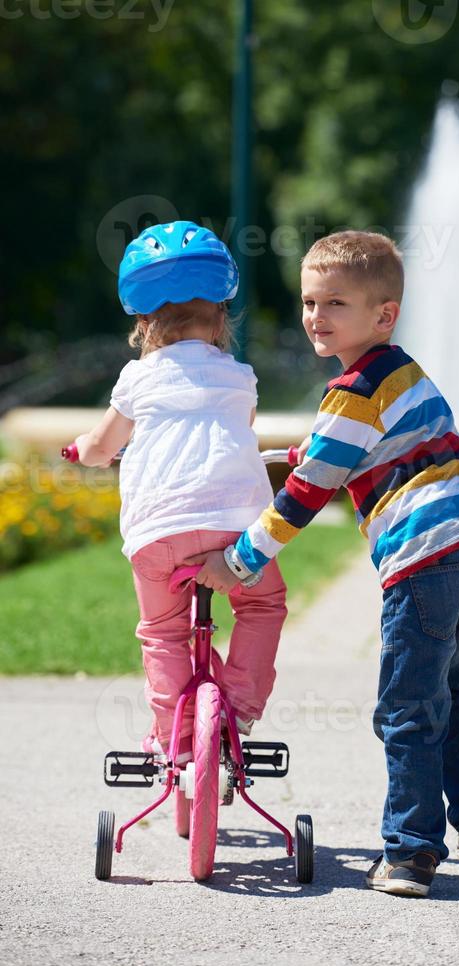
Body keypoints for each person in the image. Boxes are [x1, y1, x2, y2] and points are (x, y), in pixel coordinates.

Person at [185, 230, 459, 897]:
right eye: (309, 301)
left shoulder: (350, 393)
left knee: (406, 706)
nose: (316, 317)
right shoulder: (401, 373)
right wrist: (314, 447)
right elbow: (380, 443)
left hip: (424, 554)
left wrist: (237, 562)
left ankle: (410, 853)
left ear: (383, 314)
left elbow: (306, 495)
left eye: (336, 303)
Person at [74, 221, 287, 764]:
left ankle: (174, 738)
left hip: (158, 531)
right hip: (237, 525)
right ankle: (238, 710)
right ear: (221, 318)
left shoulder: (135, 379)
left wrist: (83, 449)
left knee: (164, 634)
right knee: (262, 604)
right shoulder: (240, 376)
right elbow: (242, 428)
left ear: (144, 323)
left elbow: (103, 447)